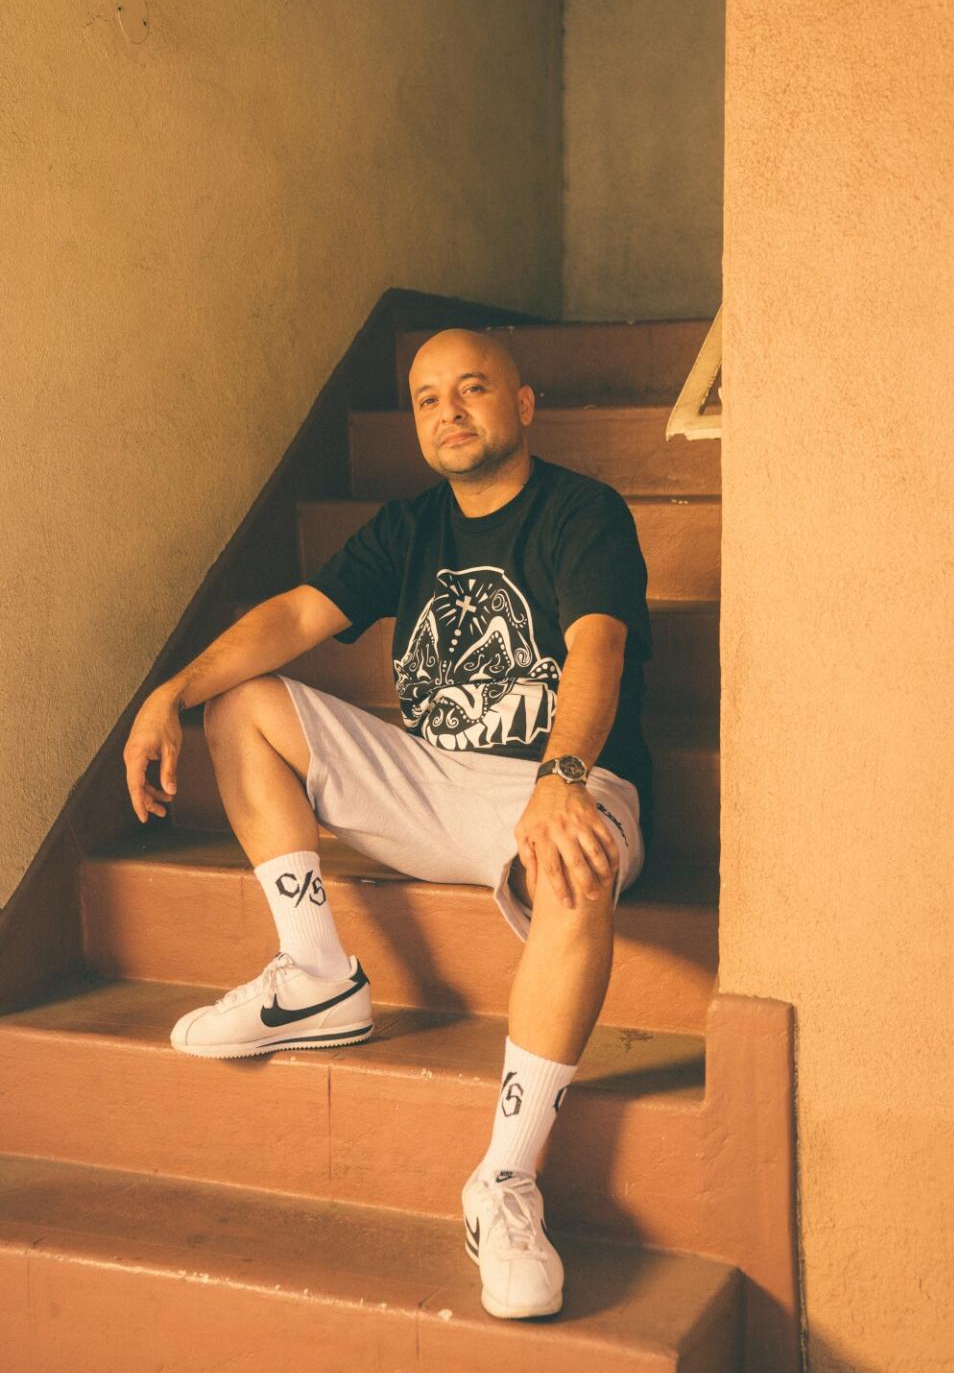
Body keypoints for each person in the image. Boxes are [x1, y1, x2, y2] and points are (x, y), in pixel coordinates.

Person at [122, 327, 655, 1321]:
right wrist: (172, 689)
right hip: (432, 781)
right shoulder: (409, 528)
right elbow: (290, 619)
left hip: (566, 783)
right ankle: (318, 974)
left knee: (573, 865)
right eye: (425, 399)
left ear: (524, 404)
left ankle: (502, 1182)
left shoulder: (583, 512)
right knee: (241, 701)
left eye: (472, 389)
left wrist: (562, 776)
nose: (448, 411)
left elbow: (598, 648)